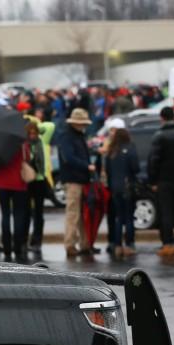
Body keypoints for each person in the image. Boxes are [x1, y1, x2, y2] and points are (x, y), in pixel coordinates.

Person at [147, 107, 174, 256]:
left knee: (166, 212)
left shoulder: (159, 136)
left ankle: (167, 242)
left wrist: (153, 180)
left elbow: (154, 160)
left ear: (162, 118)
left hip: (164, 180)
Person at [57, 108, 95, 256]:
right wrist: (87, 166)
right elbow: (69, 158)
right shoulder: (67, 137)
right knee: (73, 214)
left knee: (81, 214)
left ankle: (85, 244)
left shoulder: (77, 135)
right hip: (73, 179)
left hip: (80, 178)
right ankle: (70, 244)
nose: (83, 125)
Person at [0, 134, 30, 263]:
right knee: (18, 215)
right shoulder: (23, 143)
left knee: (5, 214)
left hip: (1, 182)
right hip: (18, 182)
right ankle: (17, 248)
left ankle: (7, 249)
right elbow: (27, 158)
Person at [104, 122, 140, 257]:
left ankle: (117, 245)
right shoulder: (130, 148)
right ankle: (129, 244)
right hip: (127, 186)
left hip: (115, 187)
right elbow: (135, 168)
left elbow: (107, 170)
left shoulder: (111, 151)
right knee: (129, 217)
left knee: (118, 217)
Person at [24, 116, 55, 259]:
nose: (32, 135)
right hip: (28, 181)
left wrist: (32, 121)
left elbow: (50, 126)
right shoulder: (25, 145)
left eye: (34, 132)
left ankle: (37, 241)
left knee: (38, 213)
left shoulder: (41, 141)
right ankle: (26, 239)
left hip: (40, 180)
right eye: (29, 133)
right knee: (26, 212)